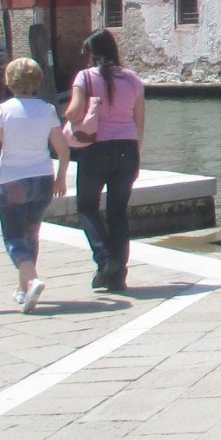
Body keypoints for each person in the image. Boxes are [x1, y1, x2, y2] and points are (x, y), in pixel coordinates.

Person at [0, 57, 70, 313]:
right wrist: (60, 177)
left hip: (12, 181)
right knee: (31, 234)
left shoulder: (3, 111)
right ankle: (24, 290)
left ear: (9, 81)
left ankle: (33, 280)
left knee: (14, 238)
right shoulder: (47, 110)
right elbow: (63, 150)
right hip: (43, 180)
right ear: (36, 81)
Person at [65, 29, 145, 293]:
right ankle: (118, 276)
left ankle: (105, 258)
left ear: (92, 54)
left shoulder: (85, 77)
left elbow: (74, 113)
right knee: (118, 213)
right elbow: (139, 122)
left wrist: (71, 108)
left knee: (87, 206)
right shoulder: (133, 79)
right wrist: (137, 155)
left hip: (95, 149)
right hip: (127, 149)